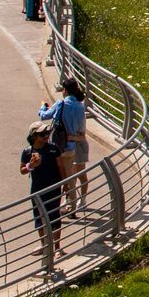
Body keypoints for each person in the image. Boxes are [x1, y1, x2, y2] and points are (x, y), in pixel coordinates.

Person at [39, 78, 90, 216]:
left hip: (57, 148)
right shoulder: (80, 106)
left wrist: (43, 107)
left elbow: (44, 116)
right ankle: (72, 208)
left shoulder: (61, 103)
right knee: (70, 179)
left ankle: (54, 206)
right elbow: (81, 129)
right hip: (71, 148)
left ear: (65, 90)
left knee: (56, 178)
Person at [20, 123, 63, 275]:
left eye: (47, 133)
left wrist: (65, 185)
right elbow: (22, 171)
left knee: (54, 216)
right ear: (34, 137)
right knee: (39, 218)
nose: (46, 136)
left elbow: (61, 168)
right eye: (42, 134)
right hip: (37, 190)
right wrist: (31, 166)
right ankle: (45, 246)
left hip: (53, 187)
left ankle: (57, 247)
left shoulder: (53, 149)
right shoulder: (27, 152)